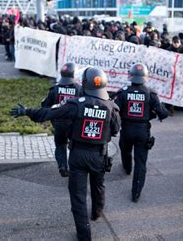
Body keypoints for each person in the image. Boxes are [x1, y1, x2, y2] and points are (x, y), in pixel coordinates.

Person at [11, 67, 120, 241]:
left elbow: (49, 113)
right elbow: (115, 130)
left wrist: (27, 111)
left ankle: (84, 236)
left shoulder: (75, 104)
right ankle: (97, 212)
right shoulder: (111, 107)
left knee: (78, 197)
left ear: (84, 83)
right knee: (98, 186)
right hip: (99, 155)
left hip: (78, 155)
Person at [114, 63, 168, 202]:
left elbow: (114, 111)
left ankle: (127, 168)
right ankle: (136, 193)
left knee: (125, 151)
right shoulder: (151, 93)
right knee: (141, 162)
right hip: (143, 131)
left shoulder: (123, 92)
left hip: (126, 129)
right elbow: (163, 113)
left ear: (130, 76)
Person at [41, 63, 82, 177]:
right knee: (75, 145)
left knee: (60, 144)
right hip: (73, 124)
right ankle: (74, 166)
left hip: (58, 123)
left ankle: (62, 166)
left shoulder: (54, 89)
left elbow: (45, 106)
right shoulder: (79, 89)